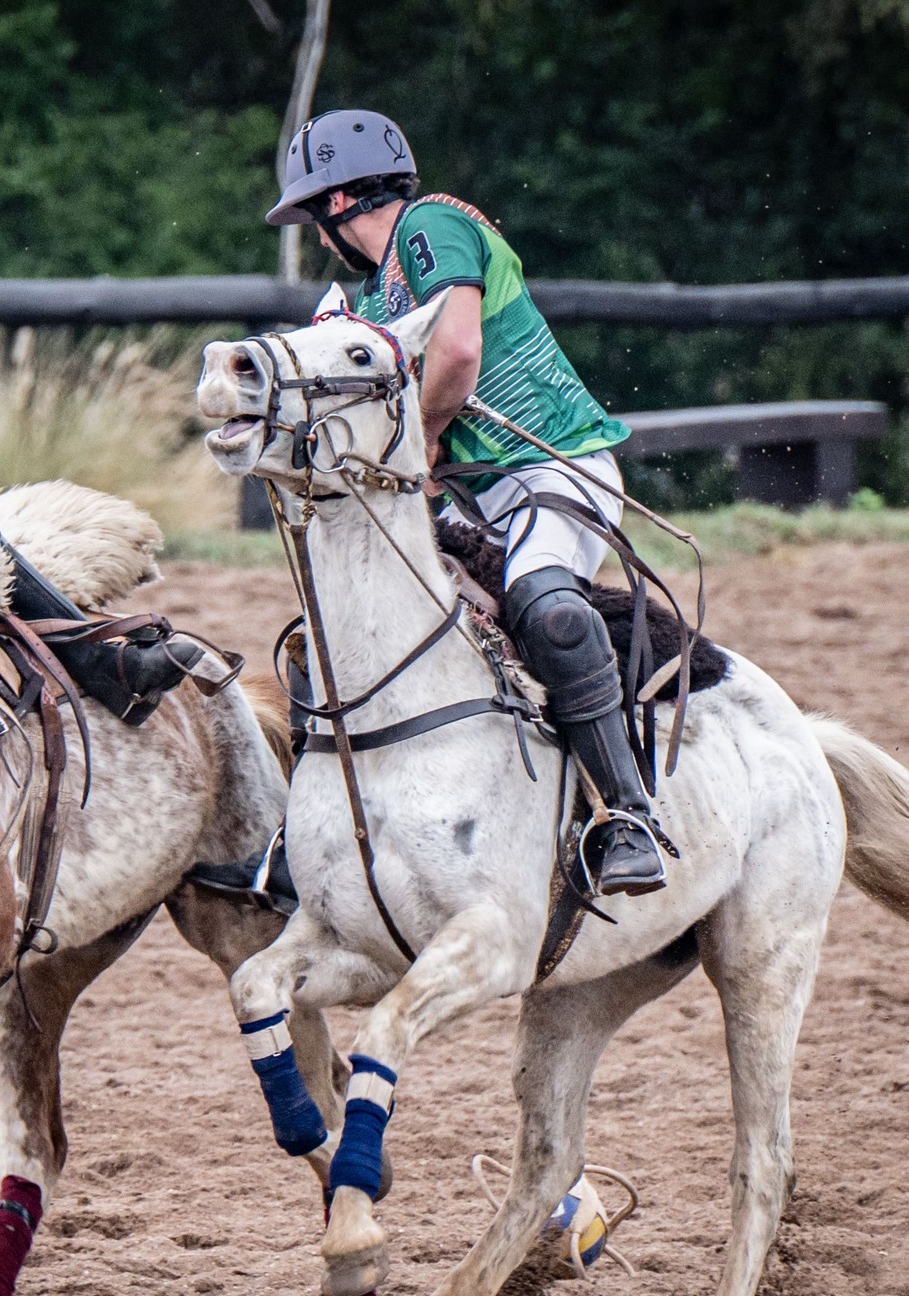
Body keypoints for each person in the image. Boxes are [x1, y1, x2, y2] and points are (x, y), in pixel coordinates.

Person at [263, 108, 666, 897]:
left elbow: (455, 350)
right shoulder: (368, 303)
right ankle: (312, 835)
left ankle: (628, 815)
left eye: (315, 217)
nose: (317, 238)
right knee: (338, 625)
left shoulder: (433, 226)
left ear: (342, 202)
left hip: (555, 471)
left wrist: (426, 436)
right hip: (472, 501)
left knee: (544, 604)